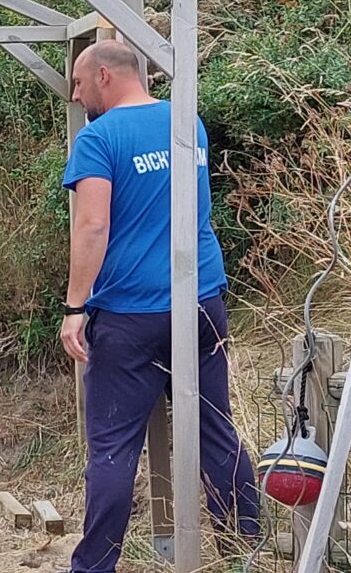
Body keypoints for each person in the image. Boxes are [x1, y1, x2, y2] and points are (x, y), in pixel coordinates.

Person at [57, 40, 259, 573]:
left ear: (104, 75)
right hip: (199, 303)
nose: (75, 96)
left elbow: (93, 224)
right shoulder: (186, 123)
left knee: (113, 448)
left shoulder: (99, 138)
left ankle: (94, 567)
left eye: (77, 83)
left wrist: (74, 305)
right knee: (215, 430)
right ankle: (245, 550)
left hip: (129, 314)